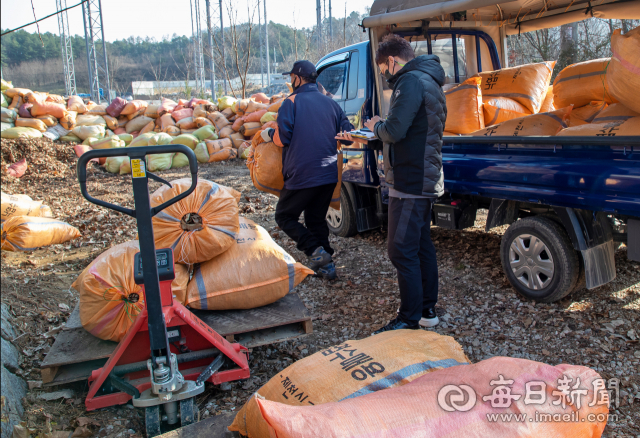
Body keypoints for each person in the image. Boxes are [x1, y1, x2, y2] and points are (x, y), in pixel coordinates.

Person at [363, 34, 447, 333]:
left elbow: (395, 130)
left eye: (383, 70)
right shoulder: (429, 80)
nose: (384, 76)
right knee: (419, 244)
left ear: (391, 61)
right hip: (423, 175)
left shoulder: (410, 82)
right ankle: (427, 310)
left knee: (400, 249)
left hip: (411, 180)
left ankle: (409, 318)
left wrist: (376, 126)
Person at [261, 60, 354, 280]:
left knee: (284, 216)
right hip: (329, 174)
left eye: (291, 77)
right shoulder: (331, 103)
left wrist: (268, 134)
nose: (290, 81)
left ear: (298, 78)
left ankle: (314, 250)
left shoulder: (290, 103)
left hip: (302, 175)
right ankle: (326, 267)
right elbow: (348, 135)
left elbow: (282, 139)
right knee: (315, 219)